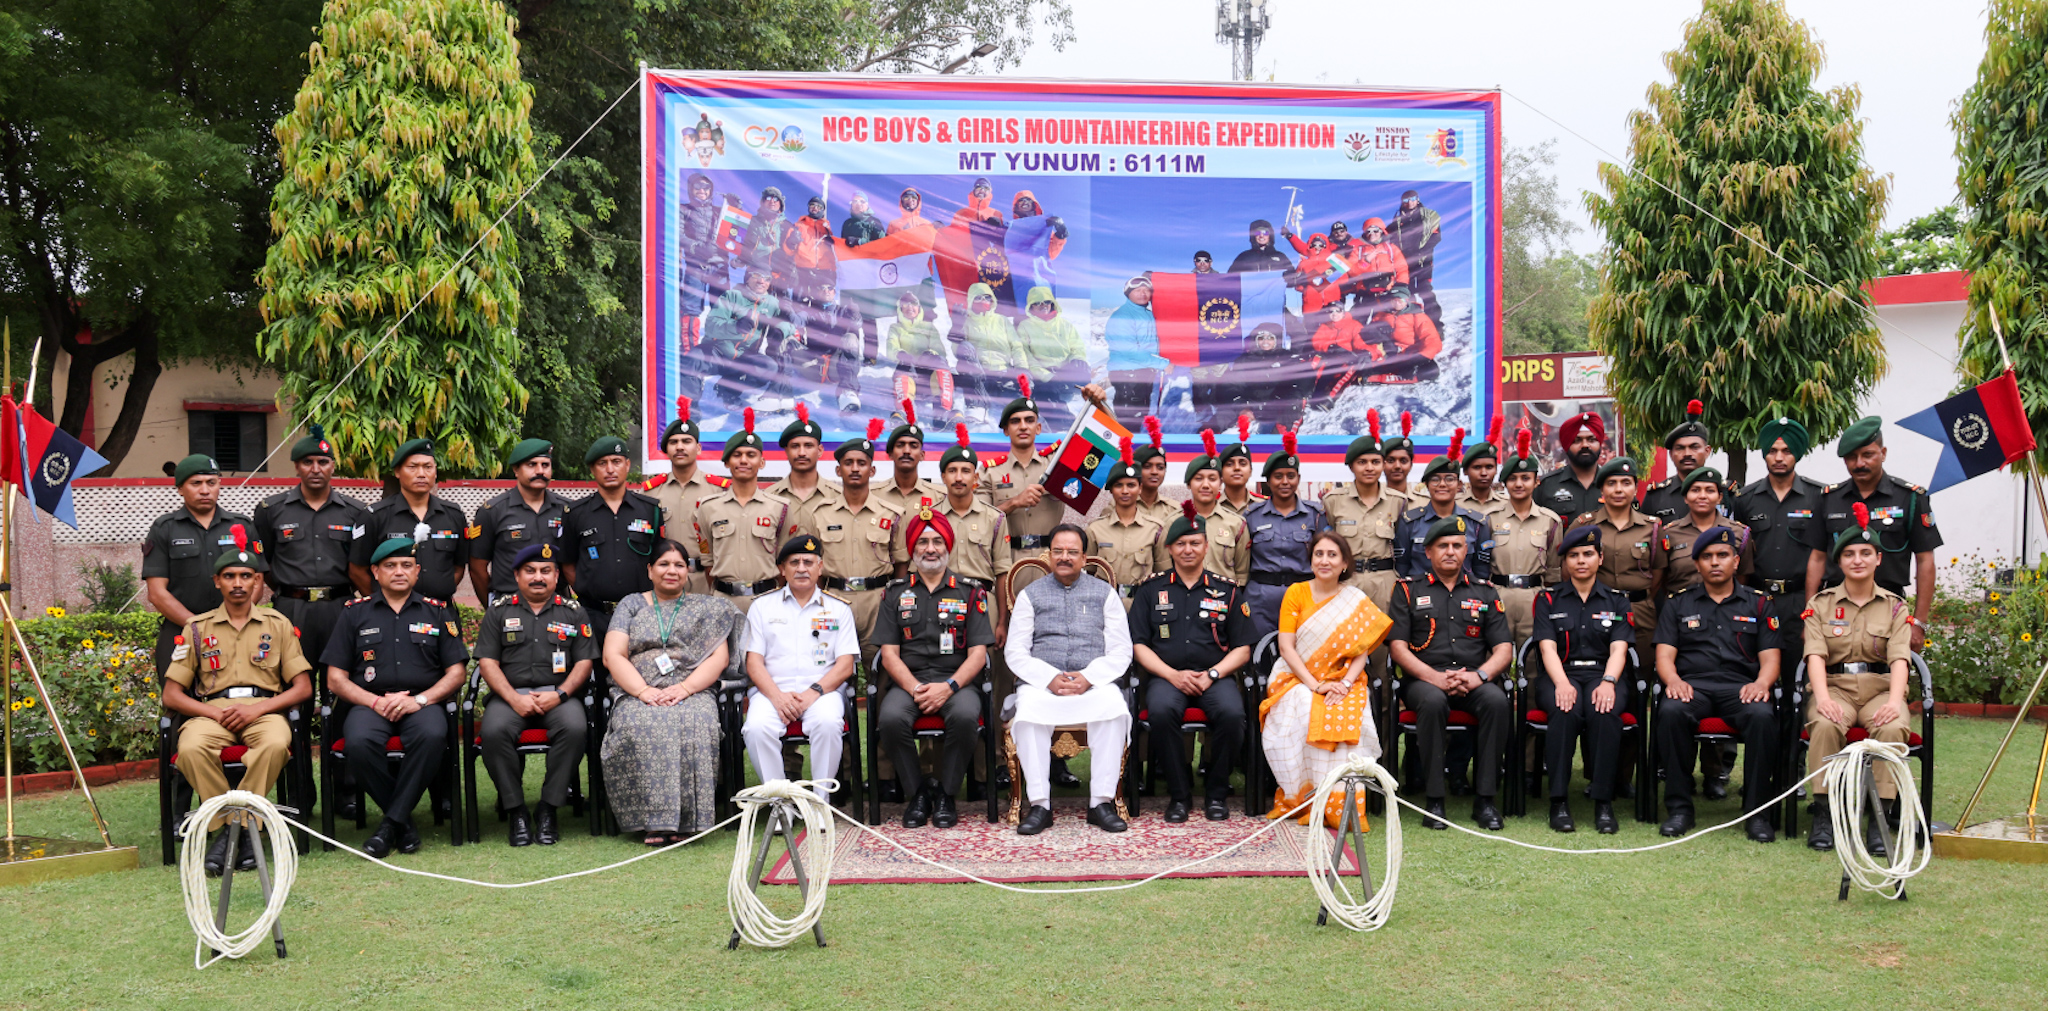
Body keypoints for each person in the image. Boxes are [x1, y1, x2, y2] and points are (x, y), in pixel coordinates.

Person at [162, 529, 314, 874]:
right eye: (229, 576)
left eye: (246, 576)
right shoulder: (197, 629)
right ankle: (239, 831)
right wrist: (211, 713)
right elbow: (171, 694)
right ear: (217, 581)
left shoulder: (278, 624)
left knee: (276, 745)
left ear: (258, 581)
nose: (238, 583)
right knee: (190, 749)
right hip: (211, 711)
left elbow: (302, 687)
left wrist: (258, 709)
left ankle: (229, 834)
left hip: (265, 710)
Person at [322, 539, 469, 857]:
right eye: (390, 566)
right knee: (358, 744)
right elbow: (335, 678)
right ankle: (401, 822)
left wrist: (421, 700)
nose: (398, 572)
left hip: (421, 703)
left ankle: (390, 825)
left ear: (417, 571)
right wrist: (374, 702)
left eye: (406, 565)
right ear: (375, 572)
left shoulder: (438, 612)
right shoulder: (353, 614)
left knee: (432, 736)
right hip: (370, 703)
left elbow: (456, 673)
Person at [599, 540, 734, 845]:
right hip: (637, 690)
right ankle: (652, 821)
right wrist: (643, 691)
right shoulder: (631, 605)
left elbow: (719, 658)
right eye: (663, 564)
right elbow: (614, 656)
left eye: (679, 565)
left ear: (688, 571)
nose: (671, 571)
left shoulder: (706, 608)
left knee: (696, 722)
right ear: (650, 570)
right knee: (638, 724)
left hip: (692, 690)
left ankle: (688, 821)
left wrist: (685, 689)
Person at [1653, 525, 1783, 841]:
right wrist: (1673, 680)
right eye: (1707, 557)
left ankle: (1756, 814)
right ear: (1696, 564)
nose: (1715, 562)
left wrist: (1762, 683)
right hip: (1692, 686)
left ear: (1736, 561)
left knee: (1762, 716)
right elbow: (1664, 655)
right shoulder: (1677, 603)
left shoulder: (1759, 604)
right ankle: (1680, 809)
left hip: (1740, 687)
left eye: (1722, 555)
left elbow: (1771, 658)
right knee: (1670, 712)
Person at [1005, 525, 1135, 835]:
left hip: (1093, 684)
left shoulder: (1105, 594)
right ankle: (1039, 805)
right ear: (1048, 555)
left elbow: (1121, 651)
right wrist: (1048, 678)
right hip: (1042, 685)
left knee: (1114, 709)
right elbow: (1016, 652)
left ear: (1085, 557)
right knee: (1028, 715)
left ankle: (1101, 803)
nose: (1065, 557)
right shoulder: (1029, 595)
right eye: (1058, 551)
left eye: (1072, 552)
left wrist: (1089, 678)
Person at [1388, 515, 1514, 830]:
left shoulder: (1485, 593)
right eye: (1442, 545)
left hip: (1473, 679)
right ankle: (1434, 800)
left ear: (1466, 550)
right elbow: (1398, 648)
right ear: (1427, 552)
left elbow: (1503, 650)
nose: (1450, 551)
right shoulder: (1407, 591)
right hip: (1424, 682)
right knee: (1432, 702)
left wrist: (1480, 677)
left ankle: (1485, 800)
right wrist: (1435, 678)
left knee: (1497, 702)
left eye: (1457, 545)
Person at [874, 507, 996, 828]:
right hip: (909, 683)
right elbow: (888, 654)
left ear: (948, 547)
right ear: (912, 551)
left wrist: (949, 687)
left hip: (957, 683)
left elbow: (978, 653)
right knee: (889, 718)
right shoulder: (894, 593)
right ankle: (918, 794)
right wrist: (915, 688)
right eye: (923, 542)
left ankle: (946, 794)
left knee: (967, 715)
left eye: (938, 542)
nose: (931, 549)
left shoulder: (971, 592)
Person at [1130, 504, 1254, 822]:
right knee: (1160, 711)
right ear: (1169, 548)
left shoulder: (1226, 591)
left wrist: (1213, 674)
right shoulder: (1150, 591)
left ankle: (1215, 793)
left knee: (1231, 713)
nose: (1188, 549)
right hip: (1166, 677)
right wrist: (1172, 675)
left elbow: (1242, 649)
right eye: (1181, 543)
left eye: (1195, 542)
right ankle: (1179, 795)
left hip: (1215, 676)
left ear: (1205, 546)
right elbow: (1139, 645)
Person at [1802, 505, 1915, 851]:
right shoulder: (1821, 604)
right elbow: (1815, 655)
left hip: (1881, 689)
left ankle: (1880, 820)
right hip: (1835, 688)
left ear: (1878, 559)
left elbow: (1900, 659)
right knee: (1823, 724)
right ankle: (1824, 813)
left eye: (1866, 553)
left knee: (1894, 728)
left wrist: (1896, 702)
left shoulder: (1896, 607)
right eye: (1849, 554)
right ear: (1840, 562)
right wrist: (1822, 699)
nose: (1858, 560)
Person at [1261, 530, 1392, 826]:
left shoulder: (1355, 600)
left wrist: (1345, 684)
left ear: (1344, 563)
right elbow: (1286, 647)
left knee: (1348, 708)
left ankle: (1340, 805)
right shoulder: (1296, 592)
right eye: (1319, 554)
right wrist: (1316, 684)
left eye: (1332, 555)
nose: (1325, 560)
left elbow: (1362, 652)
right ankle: (1305, 798)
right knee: (1306, 706)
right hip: (1294, 678)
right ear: (1310, 561)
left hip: (1342, 678)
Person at [474, 544, 594, 846]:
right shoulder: (499, 610)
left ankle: (548, 808)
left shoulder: (574, 612)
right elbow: (487, 662)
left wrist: (561, 695)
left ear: (556, 577)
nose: (538, 577)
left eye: (545, 571)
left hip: (558, 696)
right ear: (516, 575)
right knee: (493, 731)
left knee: (575, 728)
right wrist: (514, 698)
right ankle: (515, 810)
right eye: (530, 571)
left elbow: (584, 662)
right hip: (509, 696)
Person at [1801, 416, 1940, 653]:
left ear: (1883, 453)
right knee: (1832, 679)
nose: (1859, 463)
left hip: (1889, 609)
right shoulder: (1829, 499)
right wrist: (1809, 615)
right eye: (1851, 458)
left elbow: (1925, 560)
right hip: (1836, 609)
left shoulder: (1910, 498)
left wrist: (1918, 622)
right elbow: (1817, 558)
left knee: (1890, 679)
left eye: (1868, 455)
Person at [1530, 526, 1634, 833]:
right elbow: (1546, 647)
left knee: (1605, 711)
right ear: (1565, 563)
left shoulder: (1617, 601)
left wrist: (1609, 682)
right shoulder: (1548, 599)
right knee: (1565, 711)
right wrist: (1562, 684)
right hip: (1562, 674)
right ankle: (1558, 801)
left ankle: (1604, 802)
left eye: (1588, 554)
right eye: (1573, 556)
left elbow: (1619, 648)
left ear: (1600, 558)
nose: (1580, 561)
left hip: (1604, 675)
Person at [741, 536, 860, 803]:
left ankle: (819, 803)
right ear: (782, 569)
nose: (802, 568)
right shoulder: (761, 607)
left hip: (823, 692)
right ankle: (779, 802)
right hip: (773, 691)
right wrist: (777, 696)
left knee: (828, 724)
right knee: (756, 728)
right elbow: (753, 662)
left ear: (820, 567)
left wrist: (813, 693)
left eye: (809, 561)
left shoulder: (839, 609)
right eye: (794, 562)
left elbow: (845, 665)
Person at [251, 425, 369, 672]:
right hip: (292, 608)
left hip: (340, 607)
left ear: (333, 466)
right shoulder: (270, 510)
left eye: (323, 462)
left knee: (340, 681)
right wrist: (291, 591)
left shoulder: (355, 511)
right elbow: (265, 562)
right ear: (296, 466)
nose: (316, 469)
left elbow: (362, 563)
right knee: (292, 679)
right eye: (308, 462)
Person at [144, 455, 258, 678]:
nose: (205, 490)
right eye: (196, 483)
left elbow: (257, 581)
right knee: (178, 704)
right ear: (180, 488)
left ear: (219, 485)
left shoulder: (241, 525)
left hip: (236, 630)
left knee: (237, 700)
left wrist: (230, 621)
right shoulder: (164, 528)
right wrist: (198, 627)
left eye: (211, 483)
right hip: (181, 630)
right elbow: (156, 593)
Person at [792, 423, 907, 643]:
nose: (855, 469)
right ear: (838, 470)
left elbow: (901, 564)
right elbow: (810, 564)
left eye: (861, 463)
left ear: (871, 470)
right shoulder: (819, 514)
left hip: (878, 601)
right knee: (831, 665)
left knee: (880, 665)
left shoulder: (892, 514)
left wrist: (896, 603)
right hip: (833, 599)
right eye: (848, 463)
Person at [1734, 416, 1828, 638]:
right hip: (1756, 599)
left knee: (1798, 668)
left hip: (1801, 601)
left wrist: (1813, 607)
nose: (1778, 458)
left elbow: (1826, 552)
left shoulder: (1818, 497)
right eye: (1772, 451)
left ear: (1797, 454)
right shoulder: (1745, 499)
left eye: (1786, 451)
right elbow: (1740, 552)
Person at [561, 436, 662, 641]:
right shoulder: (576, 513)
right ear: (592, 470)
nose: (609, 469)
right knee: (594, 671)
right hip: (593, 616)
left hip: (642, 614)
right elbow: (567, 563)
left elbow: (660, 558)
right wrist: (586, 590)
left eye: (616, 462)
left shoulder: (649, 509)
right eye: (602, 463)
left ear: (627, 465)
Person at [693, 411, 793, 615]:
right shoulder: (707, 507)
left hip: (767, 602)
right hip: (723, 602)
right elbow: (709, 562)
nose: (743, 461)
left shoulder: (780, 507)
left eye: (750, 455)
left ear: (762, 462)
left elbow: (784, 562)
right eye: (736, 455)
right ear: (727, 463)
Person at [1566, 457, 1666, 658]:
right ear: (1601, 490)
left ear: (1636, 488)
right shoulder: (1584, 525)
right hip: (1595, 608)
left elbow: (1658, 574)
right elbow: (1568, 571)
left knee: (1641, 674)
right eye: (1611, 484)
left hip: (1640, 612)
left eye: (1626, 483)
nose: (1618, 490)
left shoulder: (1652, 528)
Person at [351, 439, 470, 604]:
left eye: (428, 467)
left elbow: (458, 567)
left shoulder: (453, 515)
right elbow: (357, 570)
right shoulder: (376, 516)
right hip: (391, 615)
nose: (421, 474)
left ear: (435, 472)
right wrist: (382, 603)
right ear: (398, 472)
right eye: (412, 467)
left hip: (440, 612)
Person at [1319, 411, 1403, 621]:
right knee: (1345, 642)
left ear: (1383, 465)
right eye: (1362, 462)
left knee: (1383, 645)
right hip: (1346, 580)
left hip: (1384, 583)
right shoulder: (1333, 501)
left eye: (1375, 462)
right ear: (1351, 466)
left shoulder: (1398, 501)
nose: (1369, 468)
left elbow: (1404, 548)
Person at [1242, 433, 1322, 641]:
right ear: (1268, 480)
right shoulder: (1251, 516)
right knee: (1261, 656)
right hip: (1261, 599)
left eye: (1290, 476)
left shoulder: (1316, 515)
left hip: (1304, 597)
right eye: (1278, 476)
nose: (1285, 482)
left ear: (1298, 479)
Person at [468, 439, 571, 598]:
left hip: (557, 605)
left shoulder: (567, 510)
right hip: (510, 604)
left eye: (545, 465)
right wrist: (494, 609)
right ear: (516, 470)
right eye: (531, 465)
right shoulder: (493, 511)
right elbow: (477, 567)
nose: (540, 471)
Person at [646, 397, 728, 595]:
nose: (680, 447)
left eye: (686, 441)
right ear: (666, 450)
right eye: (673, 442)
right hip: (666, 580)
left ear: (698, 448)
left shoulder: (719, 491)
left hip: (707, 580)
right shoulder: (651, 492)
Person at [1491, 430, 1563, 644]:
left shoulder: (1550, 521)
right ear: (1504, 483)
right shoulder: (1489, 519)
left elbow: (1554, 571)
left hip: (1535, 598)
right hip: (1498, 596)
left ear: (1536, 482)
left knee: (1534, 659)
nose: (1519, 484)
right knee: (1494, 655)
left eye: (1525, 478)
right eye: (1512, 479)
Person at [1392, 431, 1493, 582]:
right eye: (1435, 479)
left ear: (1459, 485)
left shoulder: (1477, 524)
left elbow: (1481, 573)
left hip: (1463, 598)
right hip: (1420, 598)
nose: (1442, 484)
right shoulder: (1409, 522)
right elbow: (1402, 568)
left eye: (1449, 479)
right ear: (1426, 485)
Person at [982, 385, 1065, 558]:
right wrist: (1015, 502)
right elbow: (980, 520)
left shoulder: (1056, 463)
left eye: (1029, 420)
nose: (1023, 426)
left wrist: (1099, 403)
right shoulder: (989, 472)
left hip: (1050, 560)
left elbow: (1100, 443)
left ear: (1039, 427)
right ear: (1005, 430)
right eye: (1015, 421)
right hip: (1008, 560)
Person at [1084, 443, 1169, 605]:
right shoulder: (1095, 529)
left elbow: (1163, 575)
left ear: (1140, 488)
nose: (1125, 491)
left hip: (1143, 605)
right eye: (1118, 485)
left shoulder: (1156, 529)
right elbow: (1088, 573)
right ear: (1111, 490)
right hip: (1105, 604)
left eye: (1131, 485)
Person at [1659, 467, 1754, 596]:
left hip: (1725, 609)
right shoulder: (1669, 534)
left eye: (1710, 490)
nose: (1702, 496)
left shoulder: (1739, 533)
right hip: (1681, 609)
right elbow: (1660, 578)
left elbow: (1743, 577)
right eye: (1695, 490)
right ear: (1685, 497)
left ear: (1719, 497)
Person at [703, 269, 787, 411]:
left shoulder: (772, 302)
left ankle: (727, 387)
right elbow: (711, 326)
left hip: (746, 354)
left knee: (769, 367)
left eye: (766, 278)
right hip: (721, 351)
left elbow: (784, 321)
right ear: (747, 278)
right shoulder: (732, 296)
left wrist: (784, 330)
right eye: (757, 275)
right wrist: (735, 326)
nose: (762, 281)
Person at [1181, 432, 1251, 584]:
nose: (1205, 485)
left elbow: (1241, 574)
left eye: (1212, 479)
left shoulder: (1236, 523)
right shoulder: (1173, 522)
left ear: (1220, 483)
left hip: (1223, 601)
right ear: (1188, 484)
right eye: (1198, 479)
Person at [1639, 400, 1721, 523]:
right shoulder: (1656, 496)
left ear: (1707, 451)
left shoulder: (1724, 492)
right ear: (1671, 454)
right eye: (1680, 448)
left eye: (1694, 447)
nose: (1687, 454)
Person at [1014, 291, 1087, 424]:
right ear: (1031, 307)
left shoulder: (1065, 324)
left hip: (1065, 370)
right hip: (1043, 372)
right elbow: (1026, 356)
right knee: (1045, 394)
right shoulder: (1025, 326)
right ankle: (1066, 423)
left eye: (1046, 302)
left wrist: (1077, 359)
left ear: (1052, 304)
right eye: (1037, 303)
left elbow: (1077, 346)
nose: (1043, 306)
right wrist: (1046, 376)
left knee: (1085, 375)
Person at [958, 282, 1022, 419]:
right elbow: (957, 350)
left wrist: (1022, 368)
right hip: (980, 376)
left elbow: (1016, 346)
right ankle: (977, 405)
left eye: (987, 297)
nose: (983, 301)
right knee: (965, 347)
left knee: (1021, 403)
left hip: (1003, 373)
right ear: (971, 300)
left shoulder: (1002, 321)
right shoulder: (966, 322)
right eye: (978, 297)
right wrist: (956, 327)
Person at [677, 173, 727, 347]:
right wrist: (697, 247)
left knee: (721, 310)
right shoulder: (684, 209)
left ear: (711, 190)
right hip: (695, 266)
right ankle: (688, 350)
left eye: (706, 187)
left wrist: (736, 208)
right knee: (690, 309)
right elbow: (678, 234)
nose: (702, 191)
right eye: (697, 187)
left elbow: (736, 232)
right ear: (691, 189)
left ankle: (716, 352)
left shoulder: (719, 212)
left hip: (718, 267)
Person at [886, 289, 950, 423]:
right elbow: (891, 348)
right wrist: (900, 354)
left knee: (939, 362)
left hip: (927, 375)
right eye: (905, 304)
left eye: (913, 303)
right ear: (900, 309)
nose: (910, 307)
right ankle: (904, 412)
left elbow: (939, 349)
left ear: (919, 307)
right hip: (908, 372)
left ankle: (942, 410)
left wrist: (929, 355)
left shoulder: (929, 327)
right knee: (903, 363)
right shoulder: (895, 328)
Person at [872, 407, 946, 520]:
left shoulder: (940, 497)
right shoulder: (873, 495)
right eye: (900, 445)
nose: (906, 451)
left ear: (922, 455)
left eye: (913, 446)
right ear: (890, 454)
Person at [1105, 274, 1163, 413]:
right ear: (1128, 293)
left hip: (1143, 372)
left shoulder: (1148, 315)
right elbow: (1129, 350)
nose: (1143, 294)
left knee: (1141, 412)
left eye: (1146, 290)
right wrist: (1163, 364)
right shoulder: (1122, 316)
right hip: (1127, 374)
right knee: (1129, 416)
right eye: (1137, 290)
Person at [767, 404, 842, 510]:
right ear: (786, 451)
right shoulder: (770, 497)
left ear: (820, 450)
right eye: (795, 446)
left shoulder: (839, 497)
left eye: (808, 446)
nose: (802, 453)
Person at [1536, 412, 1607, 519]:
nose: (1585, 445)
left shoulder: (1613, 483)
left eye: (1591, 440)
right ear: (1567, 446)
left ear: (1600, 444)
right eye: (1577, 440)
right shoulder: (1546, 485)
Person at [1387, 190, 1443, 327]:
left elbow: (1436, 236)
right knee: (1407, 293)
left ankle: (1435, 324)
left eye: (1412, 198)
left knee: (1425, 291)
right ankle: (1411, 325)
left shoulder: (1429, 216)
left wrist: (1423, 251)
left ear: (1417, 199)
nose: (1410, 202)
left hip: (1423, 261)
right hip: (1405, 263)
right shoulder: (1398, 220)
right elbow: (1383, 233)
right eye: (1406, 200)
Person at [1132, 416, 1179, 531]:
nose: (1154, 472)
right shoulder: (1121, 505)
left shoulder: (1174, 509)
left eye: (1160, 467)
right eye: (1147, 466)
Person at [1456, 423, 1510, 518]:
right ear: (1465, 471)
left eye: (1489, 467)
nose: (1484, 473)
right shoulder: (1454, 505)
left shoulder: (1508, 504)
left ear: (1496, 470)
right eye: (1477, 467)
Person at [1216, 414, 1262, 515]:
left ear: (1250, 471)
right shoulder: (1211, 507)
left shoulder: (1263, 506)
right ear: (1221, 473)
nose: (1237, 468)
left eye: (1243, 463)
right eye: (1229, 464)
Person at [1381, 411, 1422, 505]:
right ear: (1382, 464)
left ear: (1411, 465)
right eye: (1391, 460)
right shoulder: (1371, 501)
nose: (1397, 466)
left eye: (1403, 461)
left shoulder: (1425, 503)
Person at [1227, 219, 1293, 273]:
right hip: (1250, 289)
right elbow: (1230, 279)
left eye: (1265, 232)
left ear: (1270, 235)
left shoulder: (1280, 256)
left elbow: (1292, 279)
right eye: (1257, 233)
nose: (1261, 235)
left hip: (1275, 289)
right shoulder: (1244, 257)